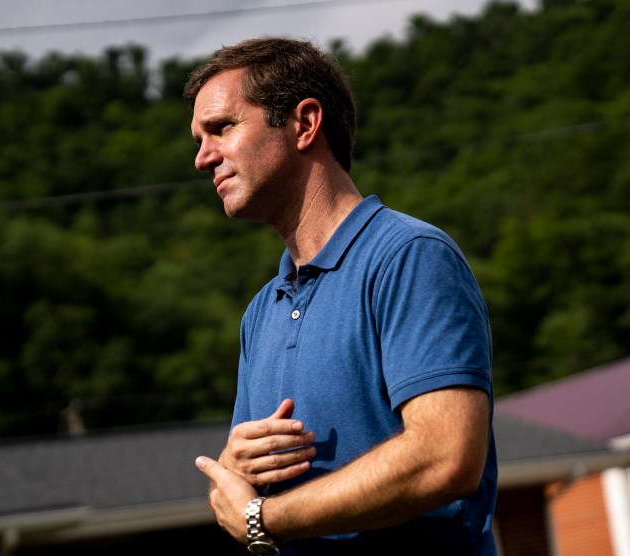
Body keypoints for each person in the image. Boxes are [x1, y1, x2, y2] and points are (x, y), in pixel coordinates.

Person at [186, 37, 497, 555]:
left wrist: (266, 518)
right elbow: (235, 500)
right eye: (199, 138)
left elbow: (446, 456)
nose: (201, 158)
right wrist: (234, 468)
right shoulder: (259, 313)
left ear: (305, 124)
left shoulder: (409, 256)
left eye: (222, 128)